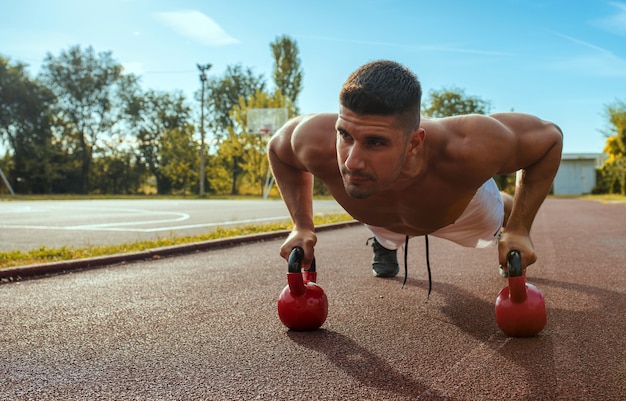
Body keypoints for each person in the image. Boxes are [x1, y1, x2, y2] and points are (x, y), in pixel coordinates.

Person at [267, 60, 563, 279]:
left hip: (462, 212)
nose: (351, 161)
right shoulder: (311, 140)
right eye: (345, 135)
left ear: (414, 143)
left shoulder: (469, 148)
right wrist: (301, 225)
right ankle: (385, 243)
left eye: (376, 142)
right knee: (385, 222)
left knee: (499, 210)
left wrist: (519, 228)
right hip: (379, 213)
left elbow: (550, 139)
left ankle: (505, 212)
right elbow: (278, 153)